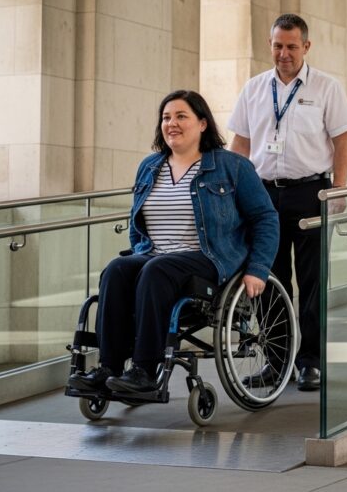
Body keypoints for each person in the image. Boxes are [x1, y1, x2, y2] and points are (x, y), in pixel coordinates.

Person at [67, 91, 279, 395]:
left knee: (157, 269)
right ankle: (109, 368)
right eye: (166, 117)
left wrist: (258, 268)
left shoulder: (232, 166)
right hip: (155, 256)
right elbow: (137, 222)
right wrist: (138, 252)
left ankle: (144, 371)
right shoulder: (150, 166)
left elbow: (265, 218)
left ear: (202, 124)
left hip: (209, 259)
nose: (171, 123)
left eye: (181, 116)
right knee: (116, 269)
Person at [227, 14, 347, 391]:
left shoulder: (326, 87)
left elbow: (343, 142)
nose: (283, 53)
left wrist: (339, 188)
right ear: (269, 45)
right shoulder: (254, 88)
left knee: (312, 280)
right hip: (261, 195)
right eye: (277, 46)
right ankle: (277, 360)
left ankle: (310, 362)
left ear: (306, 46)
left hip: (310, 192)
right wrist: (230, 192)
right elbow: (240, 145)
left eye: (291, 46)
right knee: (268, 278)